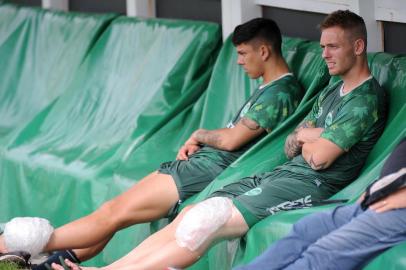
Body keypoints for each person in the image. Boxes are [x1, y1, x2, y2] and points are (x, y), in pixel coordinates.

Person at [49, 9, 387, 270]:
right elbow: (292, 145)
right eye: (323, 46)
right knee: (192, 214)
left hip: (312, 184)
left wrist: (307, 138)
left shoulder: (365, 98)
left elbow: (319, 158)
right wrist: (309, 136)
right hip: (282, 174)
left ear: (358, 46)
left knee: (203, 223)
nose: (325, 54)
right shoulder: (331, 90)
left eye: (334, 46)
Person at [0, 18, 304, 268]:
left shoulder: (282, 90)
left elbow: (234, 138)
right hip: (203, 167)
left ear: (264, 51)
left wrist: (199, 135)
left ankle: (12, 243)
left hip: (204, 171)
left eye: (243, 54)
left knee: (110, 214)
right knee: (114, 217)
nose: (238, 62)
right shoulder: (270, 87)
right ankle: (53, 263)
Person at [235, 138, 405, 270]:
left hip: (399, 208)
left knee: (326, 252)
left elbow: (320, 157)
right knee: (308, 228)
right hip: (387, 192)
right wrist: (380, 185)